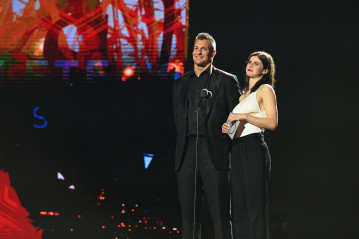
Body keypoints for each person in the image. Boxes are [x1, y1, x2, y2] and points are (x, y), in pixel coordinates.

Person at [173, 32, 241, 239]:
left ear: (213, 53)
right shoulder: (181, 83)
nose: (198, 52)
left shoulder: (226, 80)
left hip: (214, 151)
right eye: (196, 48)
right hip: (186, 152)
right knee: (189, 215)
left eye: (203, 48)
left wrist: (226, 133)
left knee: (220, 213)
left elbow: (237, 116)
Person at [222, 51, 278, 239]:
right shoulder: (243, 96)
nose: (251, 65)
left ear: (264, 70)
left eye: (256, 63)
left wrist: (244, 116)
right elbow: (239, 125)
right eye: (249, 62)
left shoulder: (265, 89)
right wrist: (228, 128)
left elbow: (272, 123)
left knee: (255, 207)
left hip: (253, 147)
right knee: (238, 209)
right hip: (237, 149)